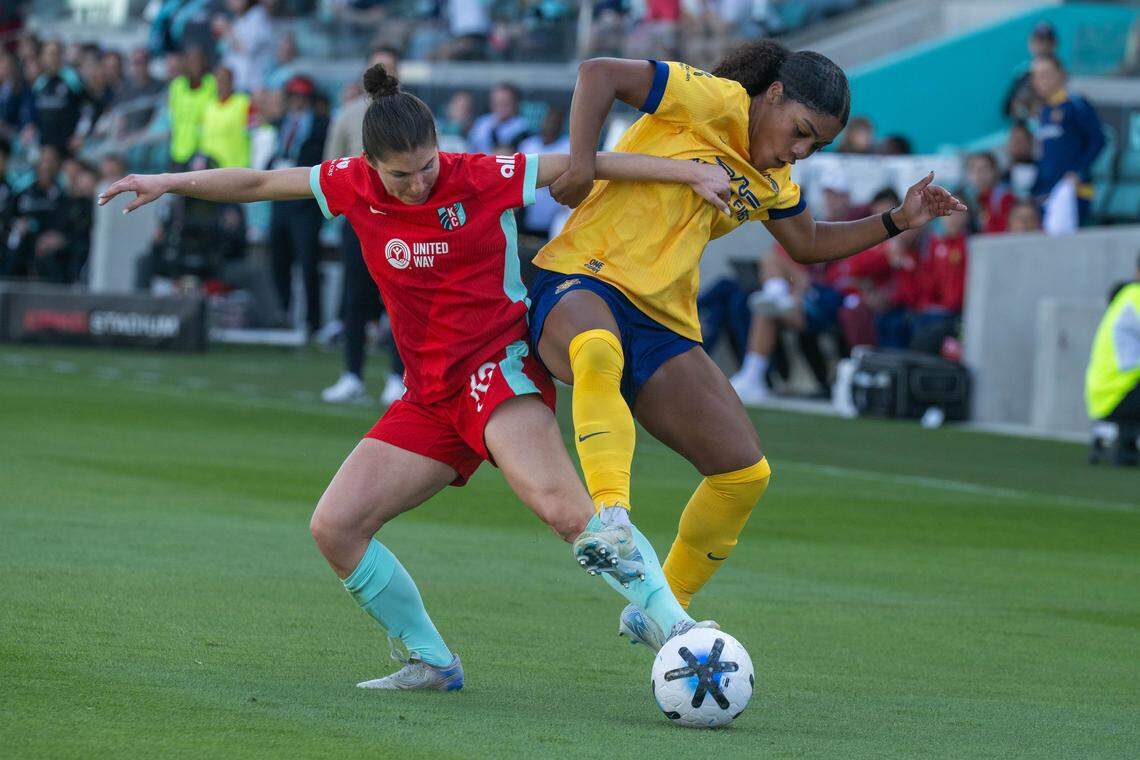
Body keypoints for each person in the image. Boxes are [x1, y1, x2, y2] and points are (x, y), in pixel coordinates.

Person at [99, 62, 733, 689]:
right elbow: (259, 181)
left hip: (498, 371)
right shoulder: (349, 182)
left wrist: (689, 173)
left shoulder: (481, 175)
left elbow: (590, 162)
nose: (418, 183)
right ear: (371, 164)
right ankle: (432, 661)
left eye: (428, 166)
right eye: (401, 174)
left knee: (567, 513)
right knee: (336, 527)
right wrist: (168, 181)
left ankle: (675, 627)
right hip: (430, 394)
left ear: (440, 149)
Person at [533, 41, 965, 645]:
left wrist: (897, 220)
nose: (801, 150)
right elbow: (598, 73)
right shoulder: (711, 97)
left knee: (744, 474)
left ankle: (661, 612)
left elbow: (808, 243)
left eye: (817, 145)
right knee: (598, 348)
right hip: (581, 277)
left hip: (664, 318)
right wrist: (581, 163)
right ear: (775, 95)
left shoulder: (775, 178)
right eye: (801, 132)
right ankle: (611, 518)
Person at [321, 47, 406, 406]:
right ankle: (352, 375)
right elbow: (330, 163)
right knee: (354, 298)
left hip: (403, 219)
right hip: (359, 219)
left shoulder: (412, 112)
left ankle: (399, 378)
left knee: (402, 302)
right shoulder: (348, 114)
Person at [268, 75, 328, 336]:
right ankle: (283, 312)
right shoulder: (282, 123)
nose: (298, 102)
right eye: (294, 97)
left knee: (308, 261)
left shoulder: (321, 125)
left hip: (305, 199)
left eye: (302, 97)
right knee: (278, 257)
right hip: (280, 195)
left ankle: (312, 321)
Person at [1030, 54, 1105, 227]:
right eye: (1036, 76)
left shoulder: (1076, 104)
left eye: (1045, 74)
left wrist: (1077, 171)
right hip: (1047, 192)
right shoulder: (1043, 111)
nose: (1040, 81)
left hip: (1072, 191)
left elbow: (1098, 140)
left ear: (1061, 74)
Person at [1086, 257, 1140, 466]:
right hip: (1118, 393)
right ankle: (1125, 440)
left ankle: (1122, 439)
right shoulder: (1136, 296)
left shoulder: (1126, 296)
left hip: (1105, 394)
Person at [517, 107, 571, 237]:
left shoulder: (568, 146)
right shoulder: (527, 145)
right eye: (548, 121)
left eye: (555, 122)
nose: (551, 125)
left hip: (555, 213)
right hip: (527, 211)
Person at [30, 40, 84, 154]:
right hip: (45, 144)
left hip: (68, 144)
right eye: (49, 54)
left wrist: (80, 134)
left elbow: (86, 107)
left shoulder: (72, 79)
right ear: (42, 57)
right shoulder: (40, 83)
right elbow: (35, 112)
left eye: (55, 53)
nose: (52, 58)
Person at [167, 47, 216, 167]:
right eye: (191, 61)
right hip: (179, 149)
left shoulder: (211, 84)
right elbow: (173, 115)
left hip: (204, 150)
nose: (195, 65)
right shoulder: (176, 86)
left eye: (198, 61)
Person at [1003, 21, 1056, 121]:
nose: (1043, 46)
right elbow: (1009, 108)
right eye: (1038, 41)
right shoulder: (1024, 74)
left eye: (1046, 41)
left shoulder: (1064, 73)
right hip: (1032, 129)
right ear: (1030, 43)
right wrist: (1029, 113)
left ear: (1054, 44)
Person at [200, 65, 251, 169]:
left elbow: (253, 131)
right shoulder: (208, 106)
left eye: (225, 79)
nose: (221, 83)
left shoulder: (244, 103)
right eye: (218, 80)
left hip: (235, 167)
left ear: (232, 81)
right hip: (210, 167)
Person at [467, 82, 530, 154]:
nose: (501, 106)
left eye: (505, 102)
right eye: (497, 102)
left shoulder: (523, 127)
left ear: (515, 103)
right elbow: (471, 147)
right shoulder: (482, 122)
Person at [965, 151, 1015, 234]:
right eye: (973, 169)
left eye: (983, 169)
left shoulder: (1005, 198)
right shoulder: (965, 199)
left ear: (994, 171)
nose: (978, 174)